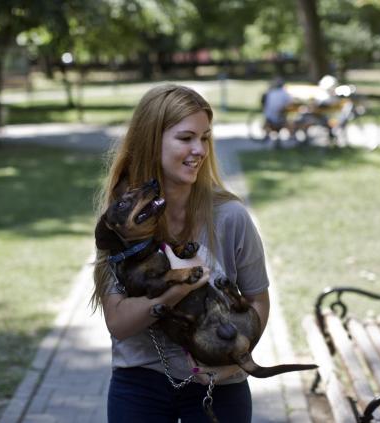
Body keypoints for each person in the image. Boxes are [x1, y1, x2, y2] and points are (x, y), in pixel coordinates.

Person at [92, 84, 271, 422]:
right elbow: (118, 322)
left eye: (205, 137)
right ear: (151, 141)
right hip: (140, 384)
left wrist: (230, 362)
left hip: (220, 388)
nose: (199, 149)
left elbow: (257, 299)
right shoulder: (122, 222)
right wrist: (181, 288)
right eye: (186, 138)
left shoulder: (230, 216)